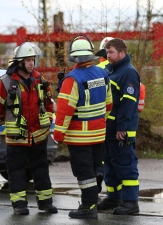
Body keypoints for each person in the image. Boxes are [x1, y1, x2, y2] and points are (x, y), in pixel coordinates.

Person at [0, 42, 57, 215]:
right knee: (16, 171)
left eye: (33, 60)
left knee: (41, 170)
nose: (31, 63)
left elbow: (49, 104)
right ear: (19, 62)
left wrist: (47, 121)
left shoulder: (39, 79)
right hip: (17, 138)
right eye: (28, 60)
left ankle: (46, 203)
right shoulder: (5, 82)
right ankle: (19, 205)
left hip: (38, 135)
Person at [54, 35, 112, 219]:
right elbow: (109, 104)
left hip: (79, 137)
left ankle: (88, 207)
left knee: (84, 172)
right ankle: (98, 177)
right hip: (99, 133)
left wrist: (59, 133)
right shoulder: (102, 74)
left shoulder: (72, 79)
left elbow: (64, 110)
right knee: (94, 167)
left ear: (74, 57)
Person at [96, 38, 141, 215]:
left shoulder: (128, 72)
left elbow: (128, 104)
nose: (108, 56)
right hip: (110, 128)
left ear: (122, 53)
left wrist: (122, 127)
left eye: (111, 52)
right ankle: (114, 198)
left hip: (121, 130)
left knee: (125, 165)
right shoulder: (112, 70)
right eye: (107, 52)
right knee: (110, 165)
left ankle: (131, 202)